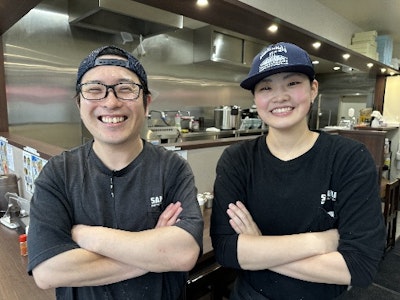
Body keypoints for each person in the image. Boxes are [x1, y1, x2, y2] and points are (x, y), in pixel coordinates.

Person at [210, 42, 386, 299]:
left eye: (292, 83)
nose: (279, 96)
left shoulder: (349, 159)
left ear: (313, 89)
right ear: (256, 99)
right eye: (266, 87)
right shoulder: (237, 160)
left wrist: (257, 249)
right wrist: (318, 242)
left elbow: (360, 266)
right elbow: (226, 249)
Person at [27, 45, 204, 299]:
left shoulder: (172, 168)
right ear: (79, 103)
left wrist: (89, 236)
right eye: (95, 90)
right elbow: (47, 272)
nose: (111, 102)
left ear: (146, 102)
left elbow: (184, 253)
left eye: (125, 89)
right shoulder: (58, 173)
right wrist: (155, 251)